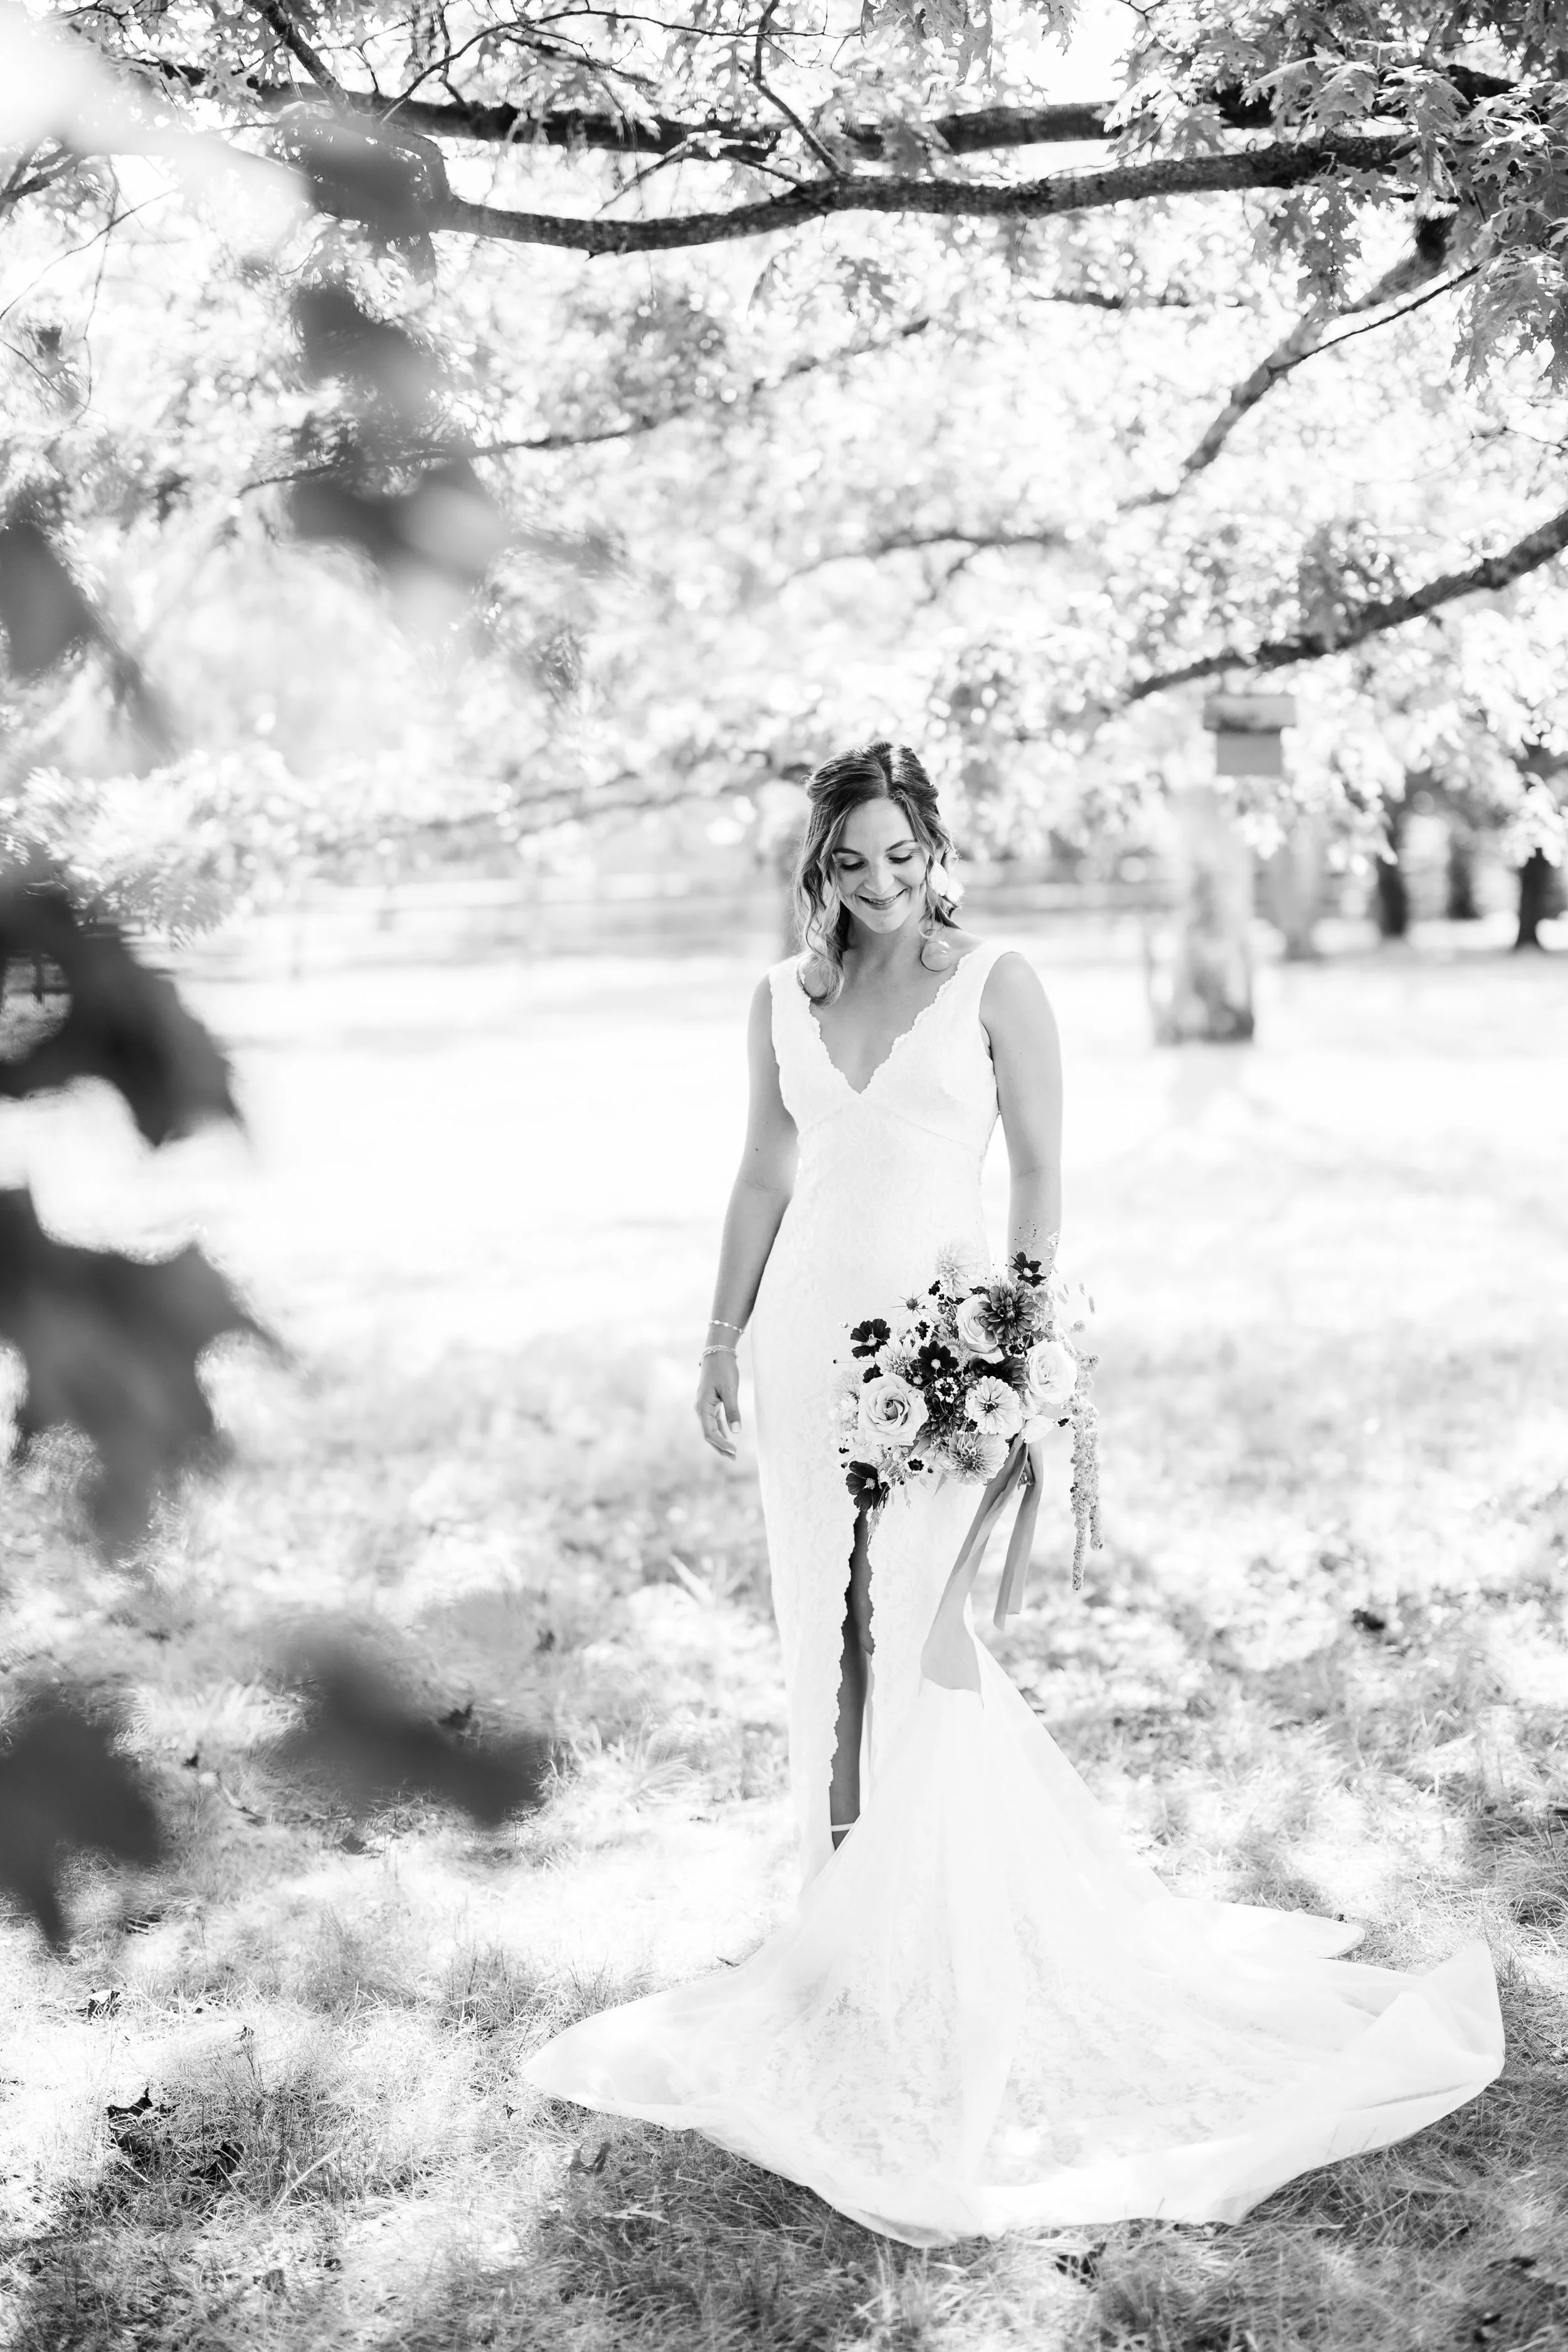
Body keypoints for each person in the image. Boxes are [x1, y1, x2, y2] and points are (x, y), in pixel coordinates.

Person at [524, 740, 1502, 2245]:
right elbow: (759, 1176)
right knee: (820, 1647)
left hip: (936, 1362)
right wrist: (716, 1338)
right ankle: (840, 1934)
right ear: (818, 870)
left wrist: (1020, 1347)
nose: (878, 885)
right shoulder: (780, 998)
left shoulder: (998, 984)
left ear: (933, 851)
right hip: (799, 1359)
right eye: (848, 863)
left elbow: (1039, 1178)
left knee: (924, 1647)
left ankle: (943, 1948)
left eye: (898, 856)